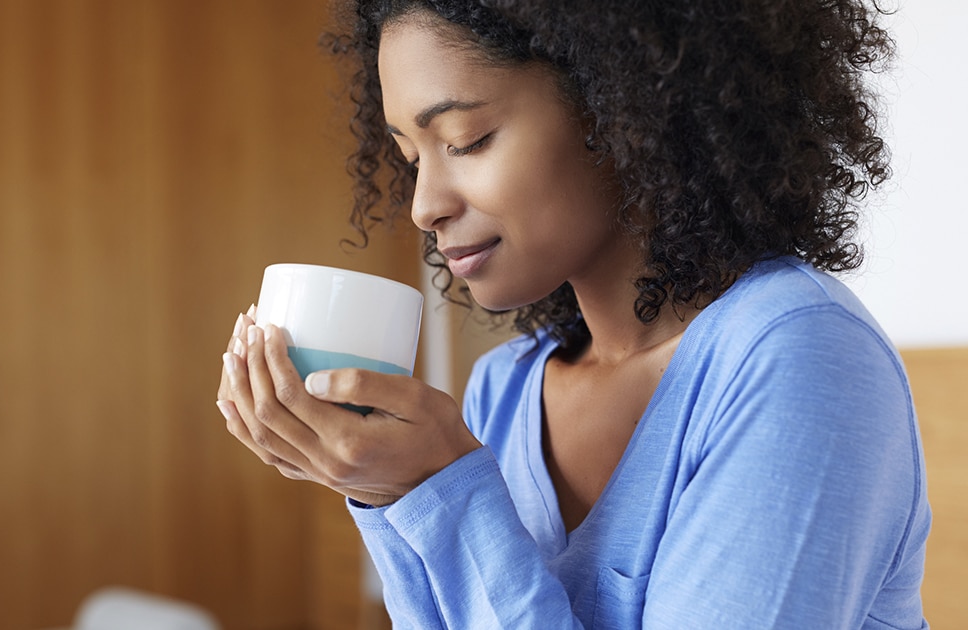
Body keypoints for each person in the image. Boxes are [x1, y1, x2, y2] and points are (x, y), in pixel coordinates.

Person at [216, 0, 931, 626]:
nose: (423, 204)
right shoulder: (505, 390)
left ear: (623, 104)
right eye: (410, 159)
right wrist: (384, 491)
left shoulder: (797, 357)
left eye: (466, 140)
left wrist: (441, 493)